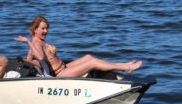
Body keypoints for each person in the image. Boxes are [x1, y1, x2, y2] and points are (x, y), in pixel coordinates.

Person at [14, 15, 142, 77]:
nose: (46, 31)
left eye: (47, 28)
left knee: (88, 57)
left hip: (64, 66)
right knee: (92, 64)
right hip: (60, 73)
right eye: (43, 28)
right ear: (35, 29)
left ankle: (124, 65)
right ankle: (125, 67)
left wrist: (29, 60)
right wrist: (28, 42)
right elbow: (41, 57)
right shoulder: (35, 42)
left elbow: (31, 60)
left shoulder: (38, 41)